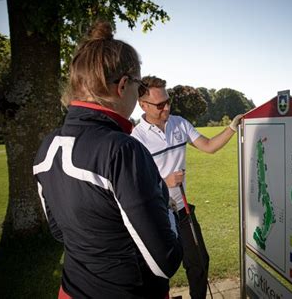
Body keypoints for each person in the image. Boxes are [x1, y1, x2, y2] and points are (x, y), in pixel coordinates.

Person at [32, 21, 183, 298]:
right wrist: (168, 207)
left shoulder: (46, 146)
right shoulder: (123, 150)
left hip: (71, 290)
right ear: (123, 85)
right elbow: (166, 261)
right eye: (138, 89)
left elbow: (59, 231)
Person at [131, 76, 243, 299]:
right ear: (143, 105)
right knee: (158, 271)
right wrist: (165, 182)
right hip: (156, 215)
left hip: (182, 210)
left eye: (168, 101)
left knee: (199, 262)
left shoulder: (179, 123)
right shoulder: (136, 138)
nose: (167, 108)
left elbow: (209, 146)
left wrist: (232, 128)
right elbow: (136, 185)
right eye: (160, 105)